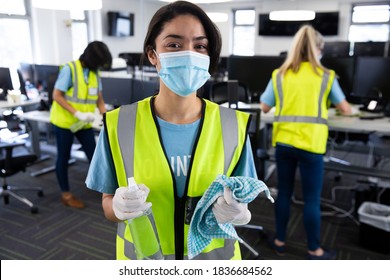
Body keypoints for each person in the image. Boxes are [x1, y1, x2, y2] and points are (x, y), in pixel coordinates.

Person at [86, 0, 258, 260]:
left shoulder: (233, 125)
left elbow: (243, 199)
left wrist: (239, 212)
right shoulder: (118, 124)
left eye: (200, 46)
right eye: (174, 45)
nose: (189, 54)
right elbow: (108, 205)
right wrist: (119, 207)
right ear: (153, 54)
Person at [260, 25, 353, 260]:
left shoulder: (280, 74)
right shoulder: (326, 76)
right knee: (311, 199)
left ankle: (280, 241)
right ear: (319, 48)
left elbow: (264, 107)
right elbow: (346, 109)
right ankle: (315, 249)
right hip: (311, 145)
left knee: (284, 194)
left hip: (284, 144)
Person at [50, 41, 112, 209]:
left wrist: (106, 117)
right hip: (66, 122)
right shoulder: (69, 69)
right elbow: (57, 95)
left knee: (95, 156)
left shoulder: (94, 73)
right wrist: (76, 113)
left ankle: (105, 189)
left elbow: (99, 98)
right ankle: (66, 195)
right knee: (63, 157)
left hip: (84, 123)